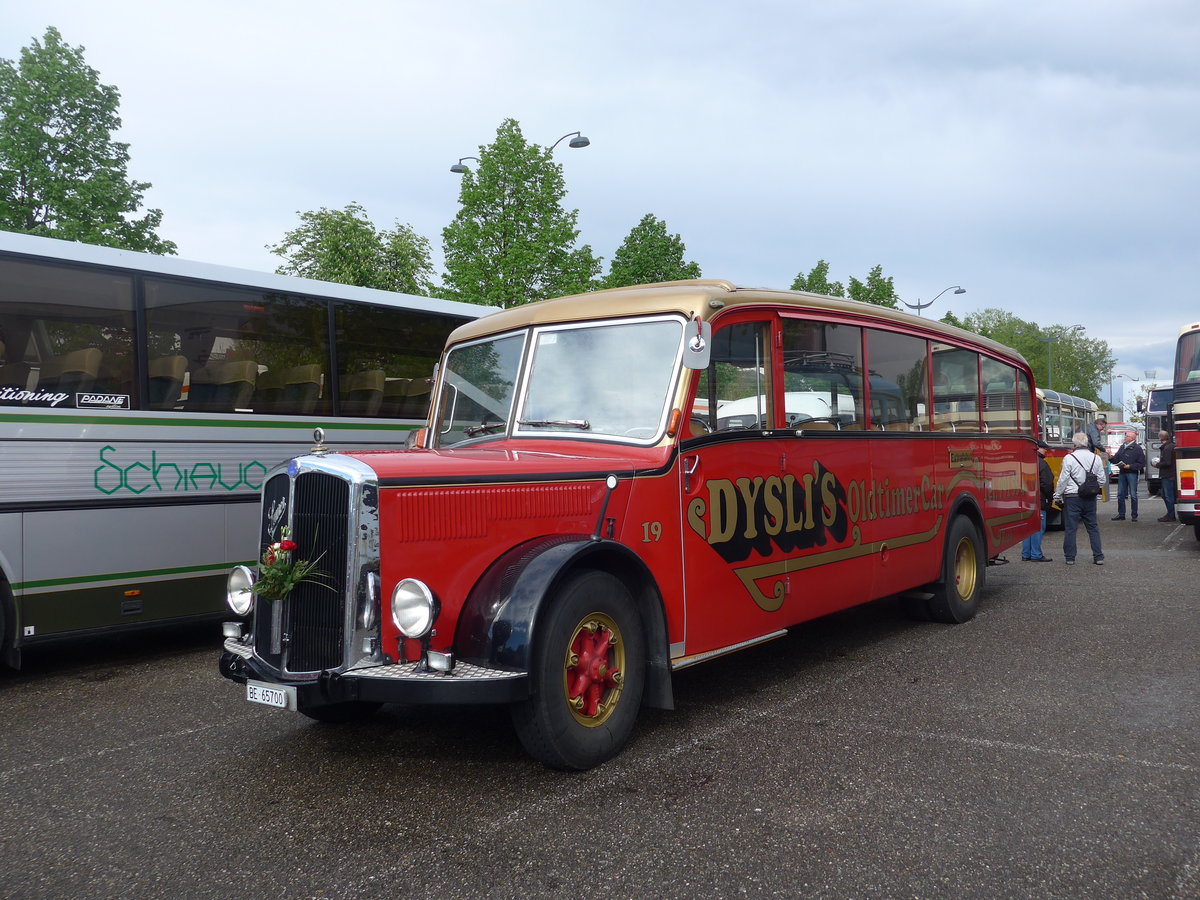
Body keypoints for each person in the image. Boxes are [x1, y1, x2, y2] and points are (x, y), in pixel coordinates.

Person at [1054, 432, 1105, 566]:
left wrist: (1057, 494)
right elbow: (1102, 480)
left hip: (1072, 497)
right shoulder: (1096, 458)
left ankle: (1070, 557)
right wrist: (1092, 488)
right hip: (1090, 497)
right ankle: (1098, 556)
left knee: (1071, 528)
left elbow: (1063, 479)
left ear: (1074, 444)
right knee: (1093, 527)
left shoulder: (1069, 458)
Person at [1021, 439, 1054, 562]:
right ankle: (1036, 554)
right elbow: (1047, 484)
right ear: (1038, 448)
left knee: (1028, 527)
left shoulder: (1024, 461)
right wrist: (1050, 498)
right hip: (1039, 499)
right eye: (1044, 448)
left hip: (1025, 498)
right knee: (1038, 527)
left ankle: (1026, 553)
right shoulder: (1042, 464)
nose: (1046, 451)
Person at [1109, 430, 1146, 521]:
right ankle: (1121, 514)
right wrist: (1110, 458)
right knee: (1120, 494)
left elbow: (1141, 463)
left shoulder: (1137, 448)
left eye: (1127, 436)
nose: (1125, 437)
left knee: (1133, 494)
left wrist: (1130, 466)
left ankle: (1134, 515)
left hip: (1132, 473)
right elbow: (1116, 459)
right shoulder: (1122, 447)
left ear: (1132, 438)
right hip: (1122, 473)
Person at [1152, 429, 1176, 522]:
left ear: (1160, 438)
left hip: (1167, 475)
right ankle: (1170, 513)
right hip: (1171, 474)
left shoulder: (1166, 448)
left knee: (1167, 496)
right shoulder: (1172, 446)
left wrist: (1157, 464)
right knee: (1166, 495)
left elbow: (1167, 462)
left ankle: (1171, 515)